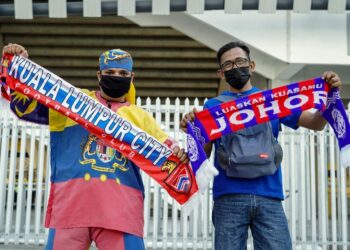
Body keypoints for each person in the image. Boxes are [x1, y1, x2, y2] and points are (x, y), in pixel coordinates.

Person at [2, 43, 188, 250]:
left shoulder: (141, 117)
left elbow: (167, 148)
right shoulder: (73, 101)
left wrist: (179, 152)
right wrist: (21, 65)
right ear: (99, 75)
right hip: (71, 207)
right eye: (109, 72)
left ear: (131, 78)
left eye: (122, 73)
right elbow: (24, 107)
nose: (115, 76)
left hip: (120, 211)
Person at [180, 41, 342, 250]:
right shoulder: (212, 106)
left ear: (252, 65)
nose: (235, 67)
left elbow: (315, 123)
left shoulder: (273, 100)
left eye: (240, 61)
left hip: (268, 196)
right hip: (229, 198)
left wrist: (330, 97)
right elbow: (205, 154)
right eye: (228, 65)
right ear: (221, 73)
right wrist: (193, 132)